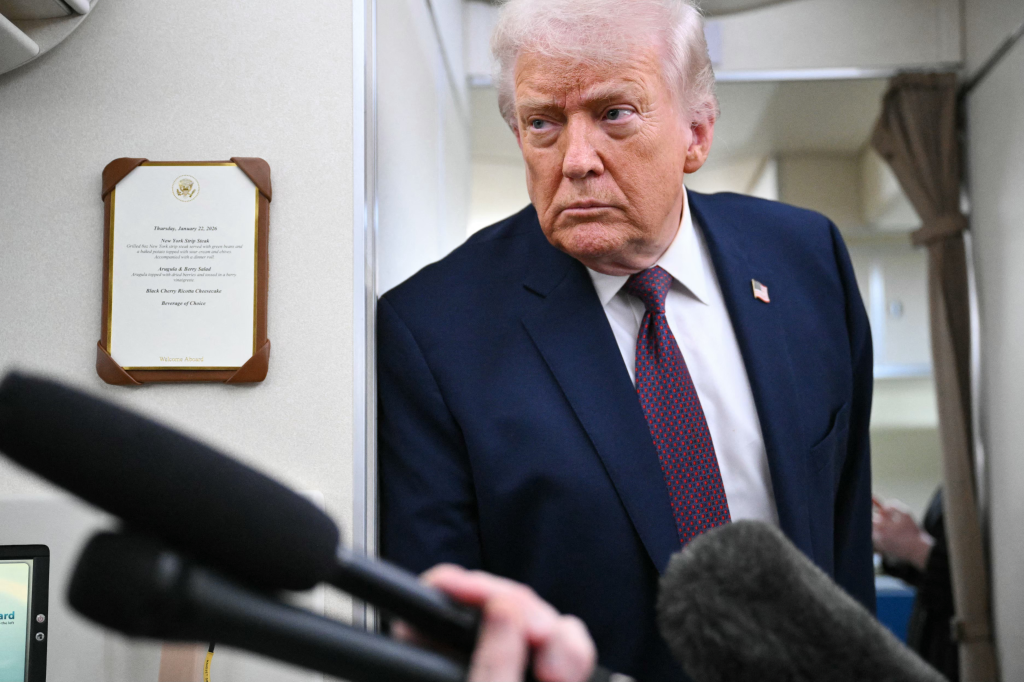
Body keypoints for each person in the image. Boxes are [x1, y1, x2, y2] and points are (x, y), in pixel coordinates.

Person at [378, 0, 874, 678]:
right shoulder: (433, 333)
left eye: (614, 113)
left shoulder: (807, 262)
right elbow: (439, 632)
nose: (577, 160)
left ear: (696, 133)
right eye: (543, 123)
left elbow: (843, 545)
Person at [873, 491, 958, 680]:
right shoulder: (952, 488)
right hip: (935, 649)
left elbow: (980, 588)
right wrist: (895, 545)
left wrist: (916, 547)